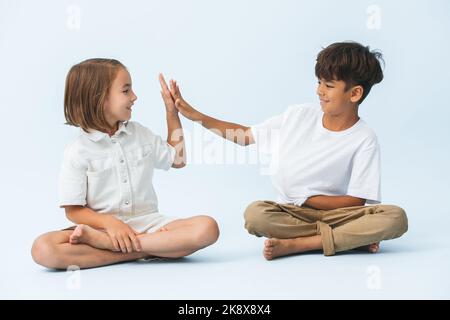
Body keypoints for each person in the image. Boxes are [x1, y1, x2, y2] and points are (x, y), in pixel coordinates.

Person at [170, 41, 408, 260]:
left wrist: (307, 198)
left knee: (395, 217)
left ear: (354, 93)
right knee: (255, 215)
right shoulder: (298, 115)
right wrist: (196, 116)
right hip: (293, 214)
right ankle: (347, 239)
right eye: (319, 83)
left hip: (339, 215)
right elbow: (246, 136)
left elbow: (356, 202)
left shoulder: (364, 139)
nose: (319, 91)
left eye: (329, 85)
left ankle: (301, 244)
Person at [31, 58, 219, 269]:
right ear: (99, 98)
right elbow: (73, 211)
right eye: (126, 91)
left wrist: (171, 112)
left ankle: (115, 248)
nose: (134, 97)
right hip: (101, 229)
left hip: (150, 225)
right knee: (43, 248)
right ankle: (151, 248)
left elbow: (178, 159)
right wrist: (111, 224)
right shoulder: (77, 152)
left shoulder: (139, 133)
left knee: (207, 227)